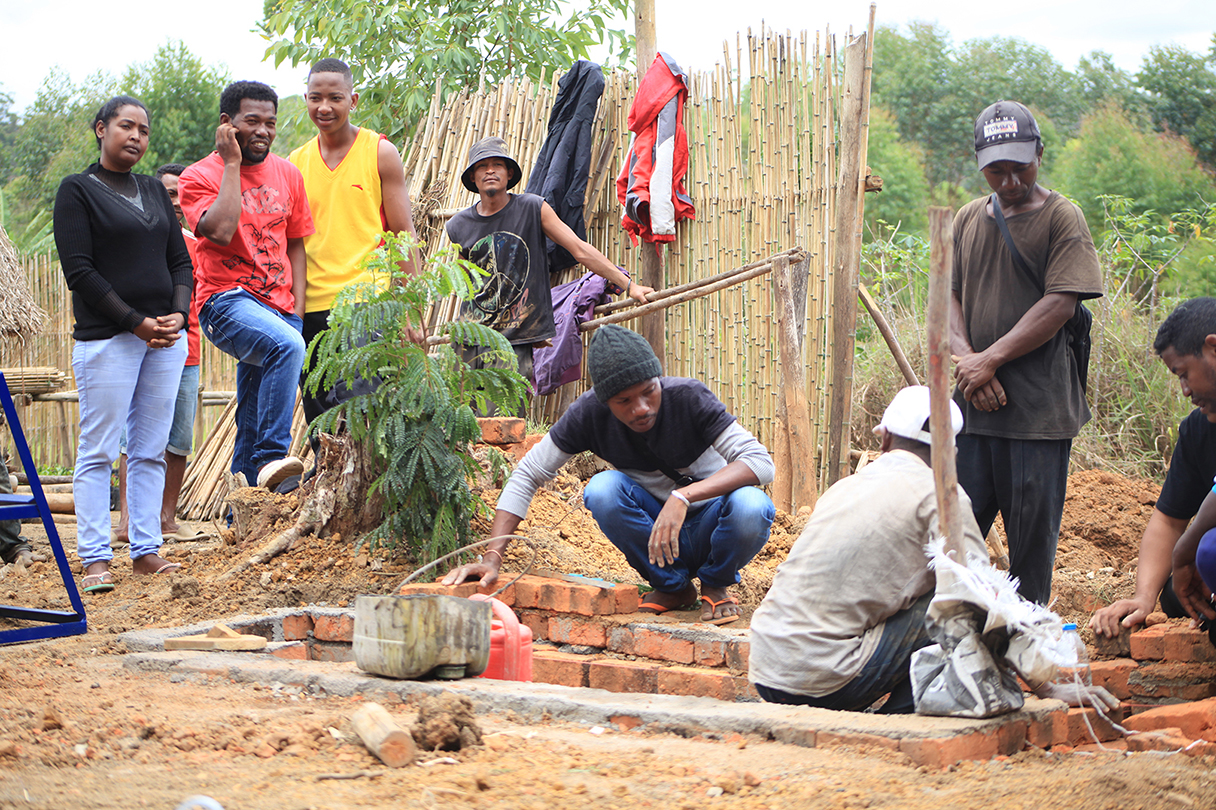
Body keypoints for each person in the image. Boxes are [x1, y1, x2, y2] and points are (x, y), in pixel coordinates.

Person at [443, 324, 775, 624]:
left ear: (658, 379)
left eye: (649, 391)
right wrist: (492, 558)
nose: (641, 407)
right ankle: (673, 587)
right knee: (602, 489)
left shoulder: (689, 398)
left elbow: (761, 463)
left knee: (752, 505)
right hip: (657, 534)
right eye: (624, 400)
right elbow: (528, 473)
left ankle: (716, 584)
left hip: (714, 523)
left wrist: (684, 496)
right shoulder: (588, 416)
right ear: (605, 402)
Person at [950, 100, 1103, 604]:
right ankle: (952, 636)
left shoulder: (1062, 218)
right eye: (997, 170)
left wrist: (989, 359)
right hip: (973, 411)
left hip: (1036, 415)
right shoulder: (968, 218)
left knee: (1029, 555)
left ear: (1040, 153)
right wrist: (969, 362)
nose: (1011, 180)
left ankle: (1025, 636)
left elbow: (1060, 303)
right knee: (952, 542)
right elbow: (946, 299)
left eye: (1020, 166)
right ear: (980, 165)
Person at [53, 95, 191, 592]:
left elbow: (180, 261)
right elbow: (80, 272)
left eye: (144, 130)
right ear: (101, 129)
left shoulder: (154, 190)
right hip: (108, 339)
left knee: (150, 449)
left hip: (165, 340)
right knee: (99, 450)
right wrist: (134, 322)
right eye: (126, 126)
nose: (136, 136)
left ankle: (145, 549)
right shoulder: (77, 191)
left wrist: (178, 313)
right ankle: (94, 558)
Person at [179, 81, 315, 490]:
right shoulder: (198, 176)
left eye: (270, 123)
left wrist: (297, 310)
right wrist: (232, 165)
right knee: (287, 346)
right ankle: (272, 458)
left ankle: (242, 509)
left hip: (280, 307)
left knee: (252, 414)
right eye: (252, 121)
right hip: (225, 301)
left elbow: (296, 245)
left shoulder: (288, 174)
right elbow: (220, 232)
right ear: (227, 123)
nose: (263, 131)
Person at [445, 137, 653, 393]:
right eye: (482, 166)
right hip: (469, 337)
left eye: (497, 164)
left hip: (513, 339)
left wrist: (629, 286)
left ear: (508, 173)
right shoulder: (458, 226)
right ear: (473, 177)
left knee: (503, 414)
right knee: (457, 412)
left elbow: (579, 249)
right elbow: (465, 283)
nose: (490, 170)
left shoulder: (532, 208)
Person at [288, 58, 421, 426]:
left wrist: (410, 308)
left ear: (353, 100)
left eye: (335, 98)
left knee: (361, 414)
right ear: (306, 99)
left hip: (367, 306)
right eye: (315, 98)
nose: (324, 107)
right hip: (312, 308)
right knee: (321, 420)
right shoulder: (295, 163)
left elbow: (403, 233)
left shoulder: (379, 152)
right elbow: (290, 243)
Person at [1092, 298, 1216, 642]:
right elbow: (1169, 520)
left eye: (1184, 374)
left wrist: (1185, 551)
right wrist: (1143, 597)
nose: (1185, 391)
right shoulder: (1197, 431)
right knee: (1178, 593)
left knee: (1208, 552)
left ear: (1213, 349)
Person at [115, 163, 206, 543]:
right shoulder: (135, 240)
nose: (176, 201)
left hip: (187, 352)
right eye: (168, 193)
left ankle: (166, 520)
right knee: (132, 439)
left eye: (182, 195)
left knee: (179, 439)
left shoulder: (197, 245)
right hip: (142, 348)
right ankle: (127, 522)